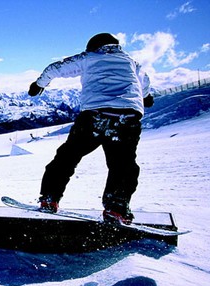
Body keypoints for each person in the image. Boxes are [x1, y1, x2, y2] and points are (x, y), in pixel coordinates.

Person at [27, 33, 154, 224]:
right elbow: (144, 82)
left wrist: (39, 85)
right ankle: (117, 207)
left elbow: (56, 68)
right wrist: (146, 96)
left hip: (94, 117)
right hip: (127, 119)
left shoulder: (89, 58)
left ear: (93, 46)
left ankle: (49, 199)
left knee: (67, 158)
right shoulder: (132, 63)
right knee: (123, 165)